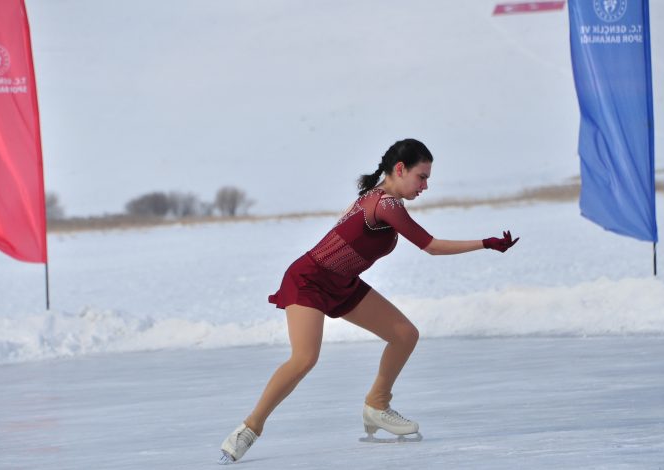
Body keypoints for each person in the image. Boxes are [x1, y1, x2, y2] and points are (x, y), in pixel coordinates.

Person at [218, 138, 518, 464]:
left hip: (342, 283)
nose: (426, 185)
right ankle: (249, 429)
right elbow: (429, 245)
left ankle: (377, 405)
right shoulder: (386, 203)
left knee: (404, 335)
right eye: (422, 176)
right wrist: (485, 243)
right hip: (309, 279)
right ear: (400, 169)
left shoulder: (374, 197)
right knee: (305, 357)